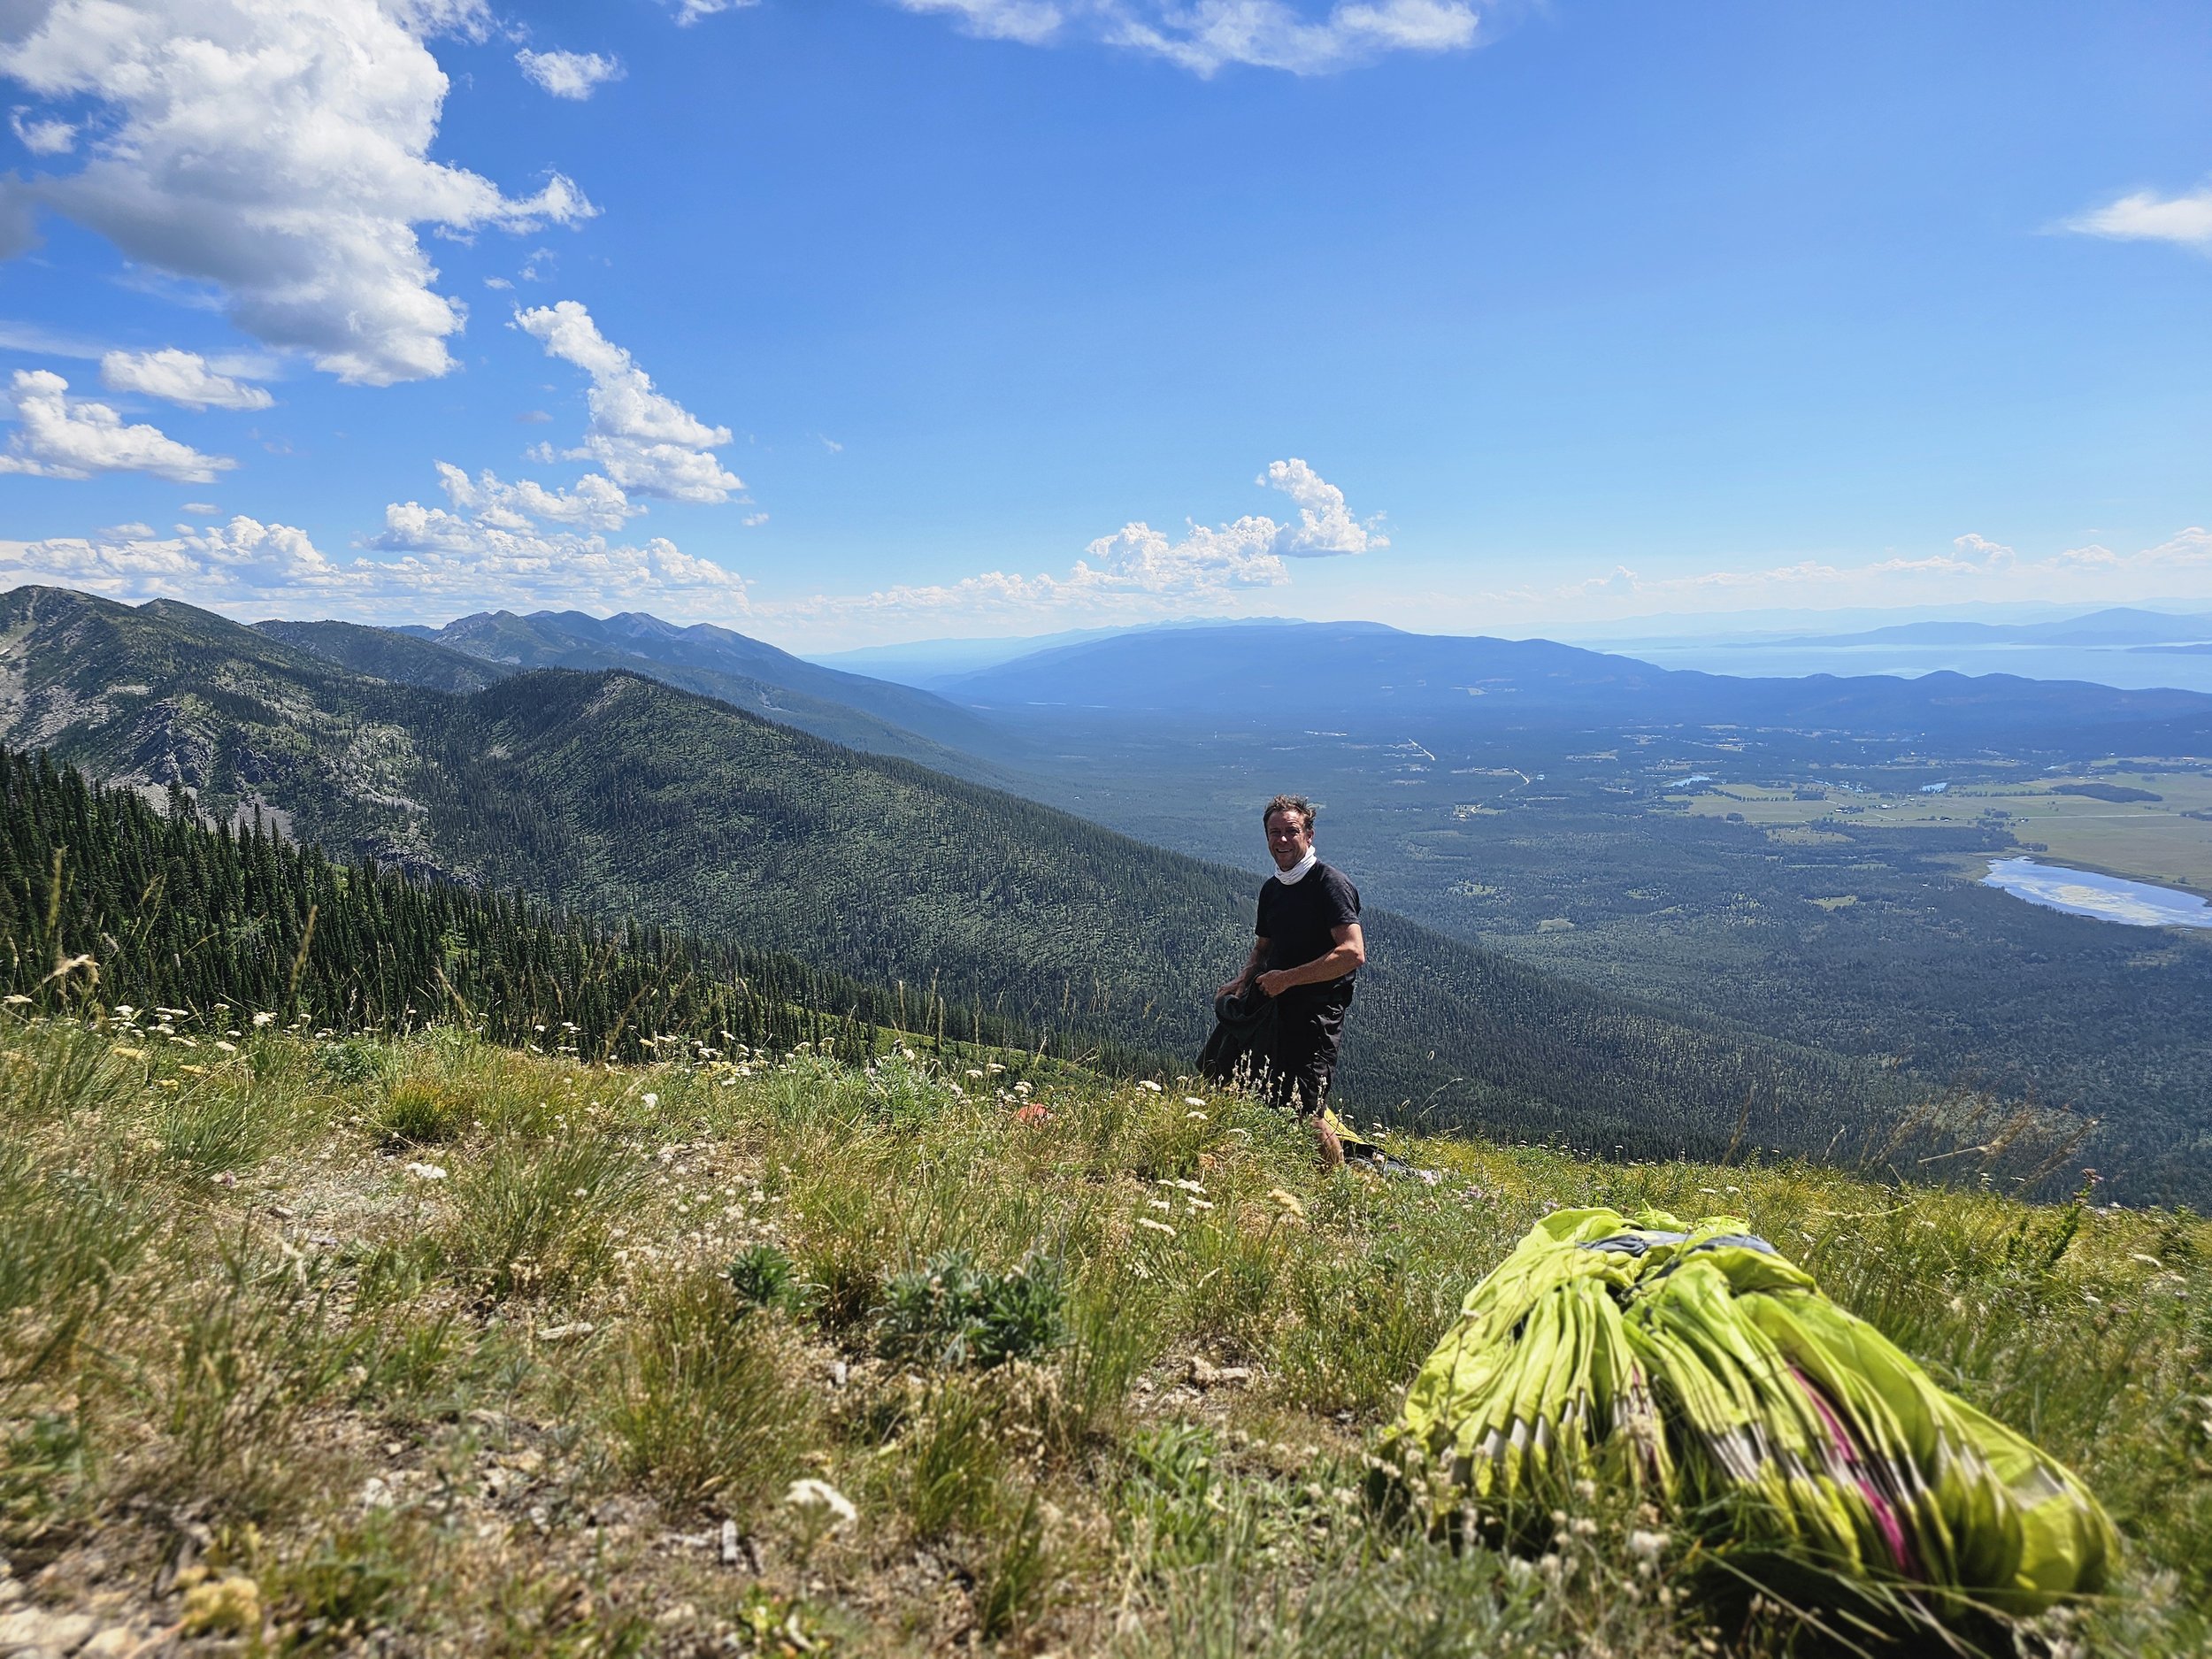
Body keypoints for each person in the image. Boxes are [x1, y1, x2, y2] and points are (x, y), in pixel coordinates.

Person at [1217, 793, 1365, 1168]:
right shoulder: (1273, 889)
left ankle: (1338, 1185)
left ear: (1309, 835)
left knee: (1308, 1111)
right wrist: (1244, 979)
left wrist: (1288, 979)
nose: (1282, 840)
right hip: (1273, 1011)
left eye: (1291, 831)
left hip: (1315, 1016)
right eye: (1275, 832)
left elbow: (1352, 953)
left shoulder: (1329, 884)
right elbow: (1263, 947)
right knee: (1249, 1090)